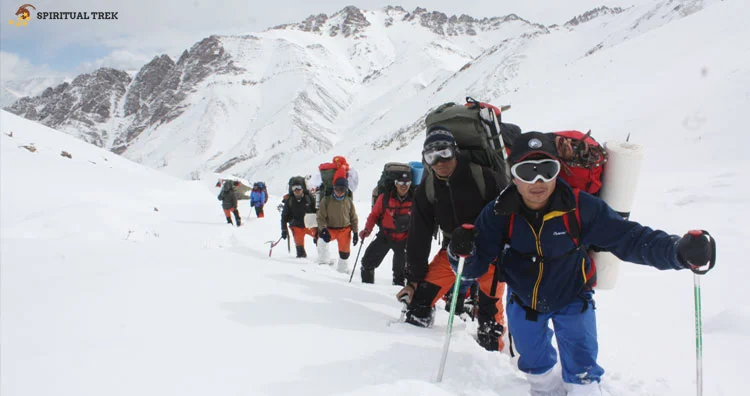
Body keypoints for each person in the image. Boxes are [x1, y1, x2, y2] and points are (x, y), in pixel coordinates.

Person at [449, 131, 716, 396]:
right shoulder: (498, 213)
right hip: (524, 300)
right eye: (527, 171)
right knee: (535, 368)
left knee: (582, 371)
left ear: (558, 171)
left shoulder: (579, 206)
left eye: (547, 169)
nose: (538, 180)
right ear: (514, 176)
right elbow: (472, 268)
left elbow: (628, 239)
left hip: (573, 296)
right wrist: (460, 252)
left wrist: (678, 251)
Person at [396, 128, 509, 352]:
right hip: (451, 254)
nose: (439, 162)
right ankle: (412, 352)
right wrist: (413, 281)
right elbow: (419, 235)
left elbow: (507, 215)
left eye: (444, 153)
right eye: (431, 157)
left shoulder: (483, 176)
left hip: (490, 256)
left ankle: (493, 362)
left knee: (490, 324)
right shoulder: (427, 189)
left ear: (455, 152)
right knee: (418, 307)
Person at [359, 171, 414, 285]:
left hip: (404, 238)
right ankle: (366, 289)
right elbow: (374, 215)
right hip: (385, 235)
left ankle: (397, 294)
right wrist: (367, 230)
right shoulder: (384, 198)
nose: (404, 186)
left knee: (401, 271)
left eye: (407, 182)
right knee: (367, 263)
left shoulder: (415, 199)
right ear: (395, 183)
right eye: (400, 182)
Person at [317, 177, 359, 273]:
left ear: (346, 190)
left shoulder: (348, 201)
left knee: (345, 254)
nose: (339, 192)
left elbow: (353, 217)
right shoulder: (326, 200)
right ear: (333, 188)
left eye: (342, 189)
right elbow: (320, 217)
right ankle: (323, 265)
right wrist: (323, 229)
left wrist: (355, 232)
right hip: (330, 229)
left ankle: (342, 271)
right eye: (337, 189)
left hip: (345, 230)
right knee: (322, 241)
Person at [281, 182, 317, 258]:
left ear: (302, 188)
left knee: (320, 239)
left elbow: (316, 211)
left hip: (309, 225)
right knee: (300, 249)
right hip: (296, 227)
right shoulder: (289, 201)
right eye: (294, 188)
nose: (297, 190)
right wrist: (284, 229)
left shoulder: (309, 198)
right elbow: (284, 216)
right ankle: (301, 261)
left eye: (298, 187)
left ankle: (323, 258)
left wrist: (319, 227)